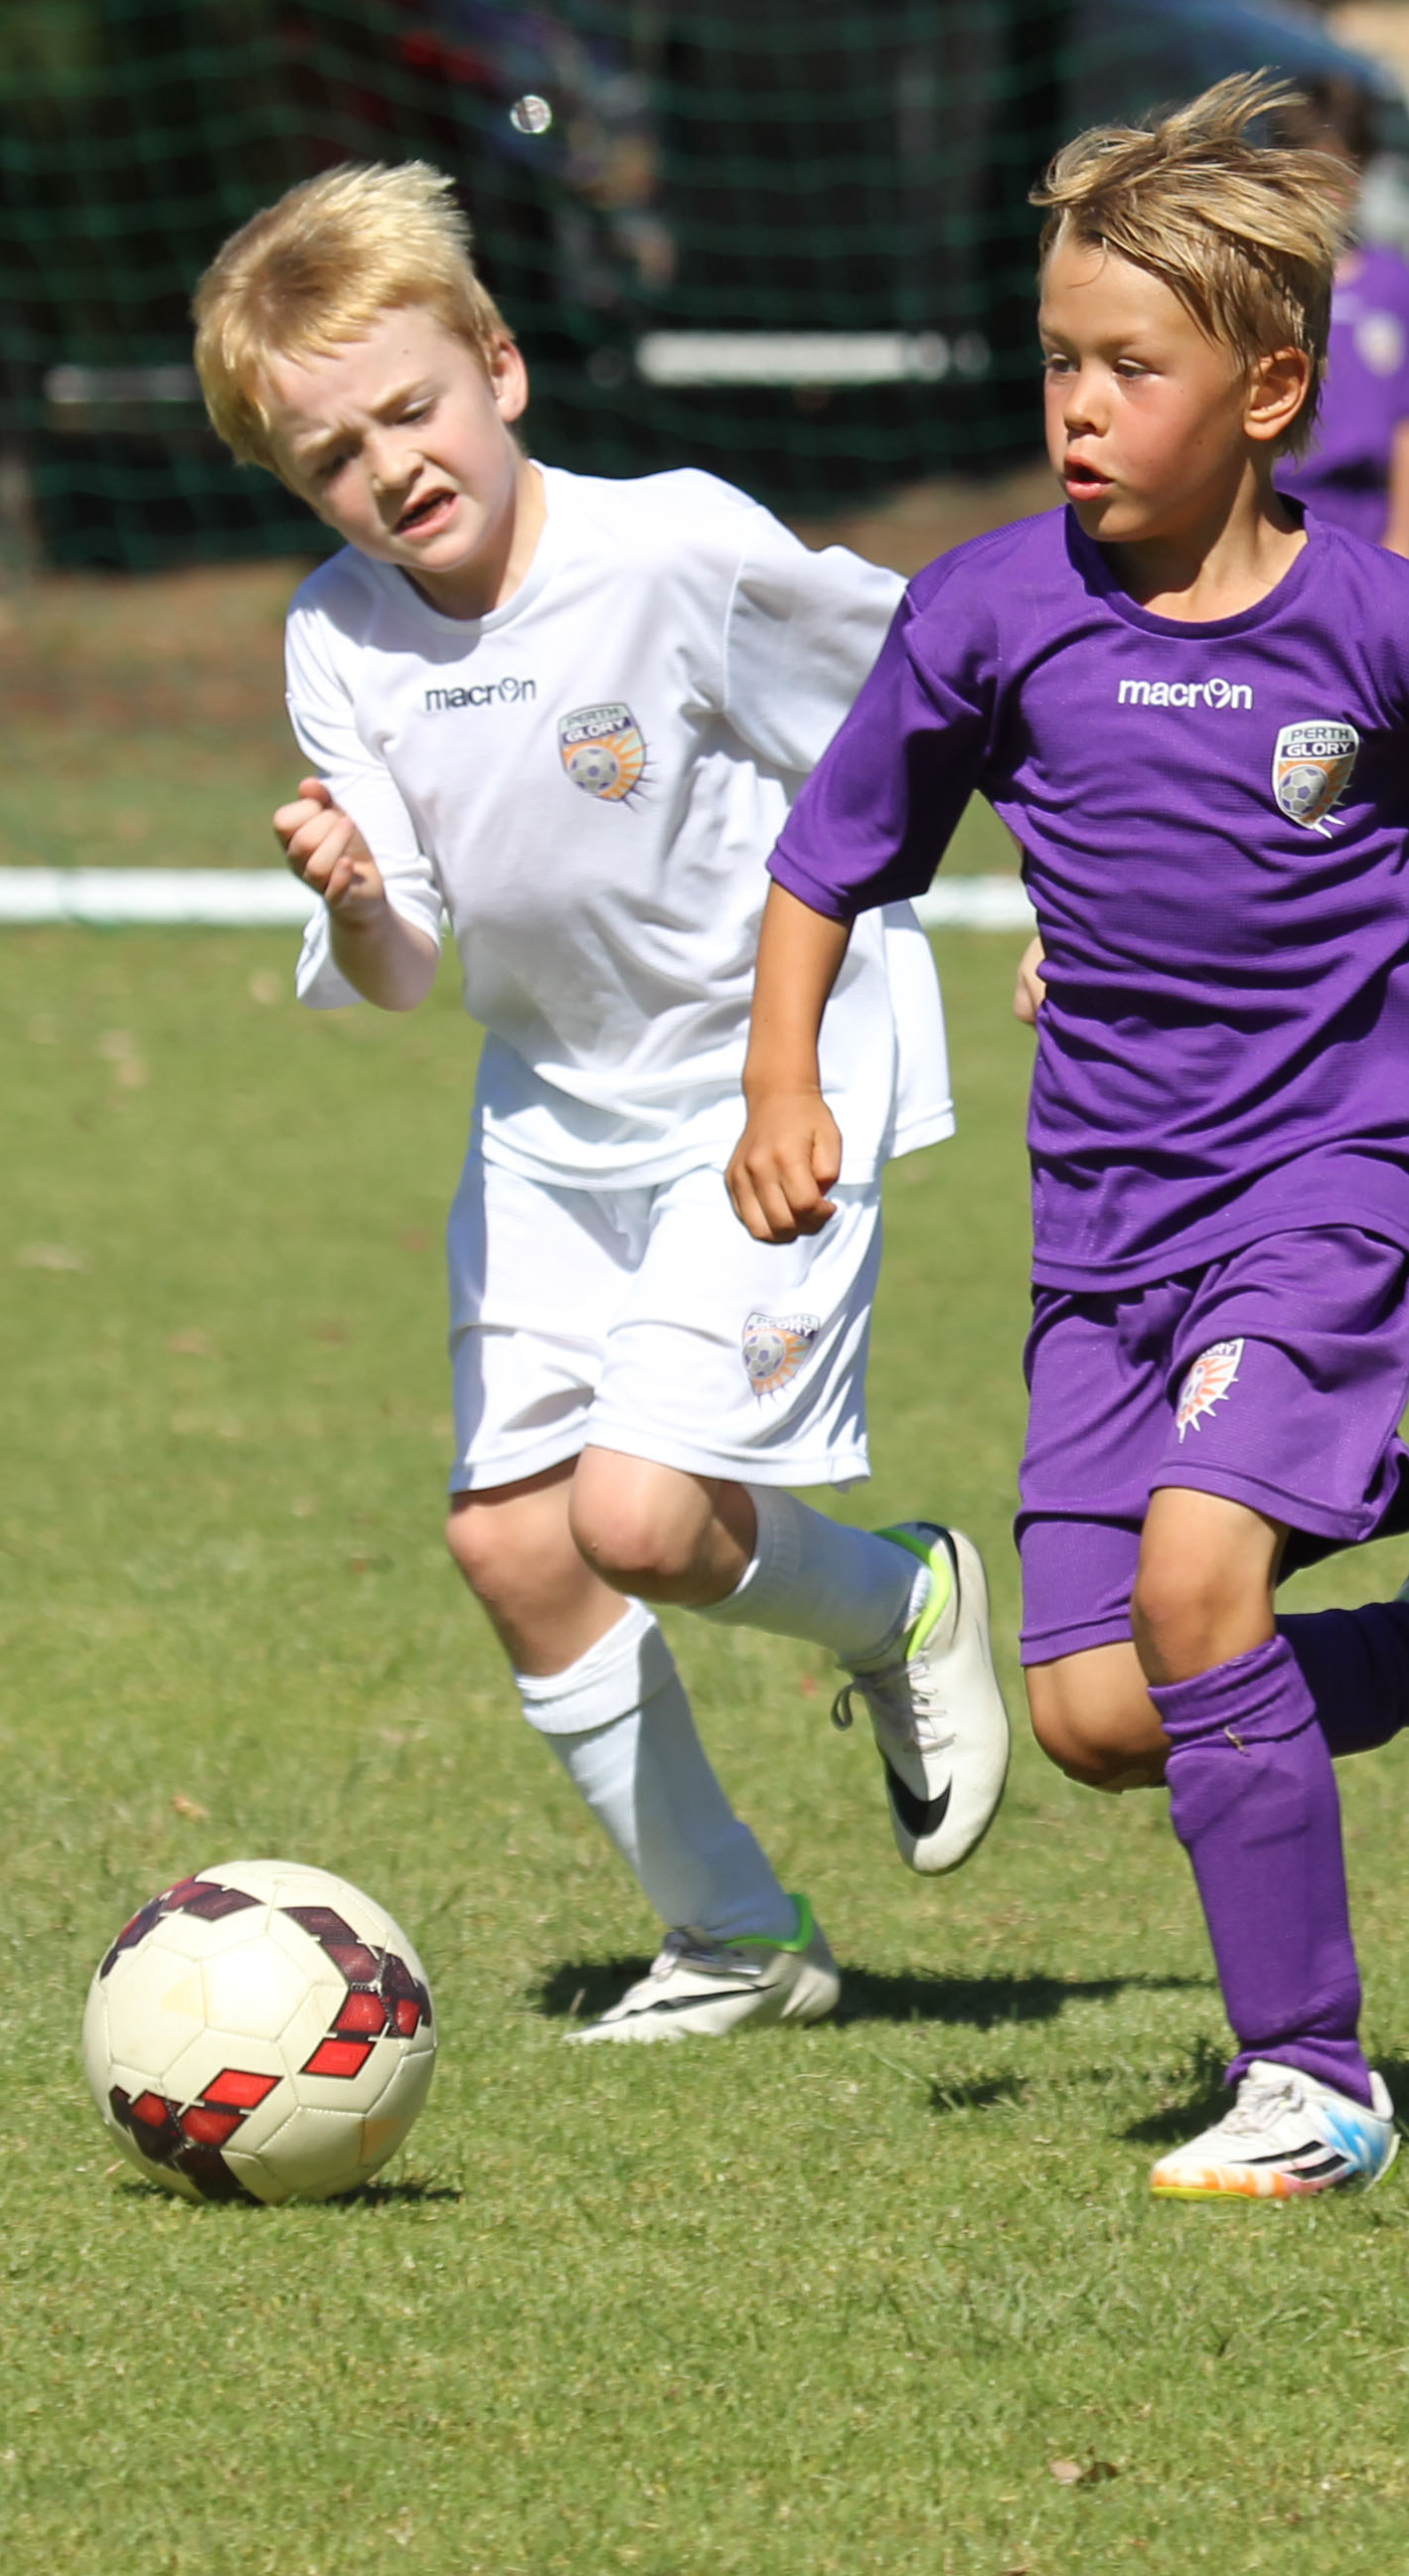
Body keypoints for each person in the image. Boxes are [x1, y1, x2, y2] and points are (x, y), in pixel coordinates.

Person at [740, 72, 1409, 2199]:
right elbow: (824, 863)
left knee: (1195, 1587)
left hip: (1332, 1183)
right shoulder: (991, 613)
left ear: (1270, 392)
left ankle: (1315, 2083)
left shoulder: (1394, 630)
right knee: (1096, 1716)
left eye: (1126, 368)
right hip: (1109, 1227)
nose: (1076, 404)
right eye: (1059, 359)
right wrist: (780, 1079)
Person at [203, 159, 1012, 2047]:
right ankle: (733, 1931)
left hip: (772, 1075)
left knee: (646, 1519)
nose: (389, 466)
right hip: (550, 1112)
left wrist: (1075, 894)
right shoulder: (339, 637)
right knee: (512, 1540)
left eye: (411, 406)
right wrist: (351, 893)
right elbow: (403, 973)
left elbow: (928, 697)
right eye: (331, 454)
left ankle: (900, 1602)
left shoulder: (670, 549)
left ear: (498, 366)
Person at [1284, 78, 1409, 560]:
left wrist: (1405, 536)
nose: (1329, 190)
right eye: (1311, 172)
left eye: (1344, 171)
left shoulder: (1397, 287)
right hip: (1266, 514)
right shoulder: (1255, 286)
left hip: (1363, 520)